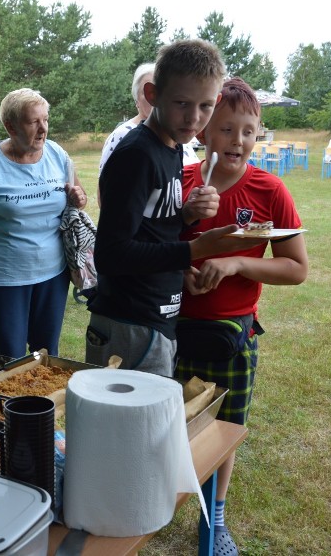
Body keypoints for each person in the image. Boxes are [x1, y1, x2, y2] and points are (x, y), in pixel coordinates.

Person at [178, 77, 309, 556]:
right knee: (171, 421)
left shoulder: (269, 190)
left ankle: (214, 518)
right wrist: (180, 271)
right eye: (227, 128)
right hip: (170, 327)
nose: (238, 140)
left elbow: (296, 268)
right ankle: (165, 495)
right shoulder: (183, 183)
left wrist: (235, 263)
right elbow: (153, 250)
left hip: (231, 333)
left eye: (249, 131)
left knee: (221, 429)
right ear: (203, 132)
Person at [85, 39, 264, 376]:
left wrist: (186, 216)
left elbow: (150, 229)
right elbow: (110, 254)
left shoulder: (171, 147)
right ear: (152, 95)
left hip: (156, 317)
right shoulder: (138, 155)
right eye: (182, 103)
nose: (194, 118)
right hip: (129, 321)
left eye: (206, 106)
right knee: (132, 426)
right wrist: (193, 249)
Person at [0, 88, 88, 358]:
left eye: (46, 120)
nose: (43, 129)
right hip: (6, 277)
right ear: (11, 126)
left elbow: (79, 197)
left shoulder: (58, 155)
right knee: (9, 356)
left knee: (47, 353)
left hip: (54, 273)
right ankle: (10, 402)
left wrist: (79, 197)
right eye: (33, 122)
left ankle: (42, 401)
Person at [99, 63, 199, 176]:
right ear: (136, 99)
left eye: (161, 91)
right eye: (148, 92)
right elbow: (104, 188)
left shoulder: (176, 134)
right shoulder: (124, 135)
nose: (155, 97)